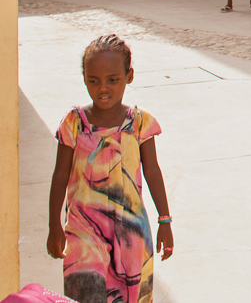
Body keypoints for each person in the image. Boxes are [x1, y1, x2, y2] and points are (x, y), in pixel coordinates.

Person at [47, 33, 173, 303]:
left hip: (131, 236)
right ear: (84, 78)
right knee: (86, 295)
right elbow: (60, 176)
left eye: (112, 79)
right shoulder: (73, 123)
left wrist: (165, 220)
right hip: (83, 234)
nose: (102, 88)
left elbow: (152, 172)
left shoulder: (140, 123)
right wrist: (54, 226)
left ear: (129, 76)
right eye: (93, 80)